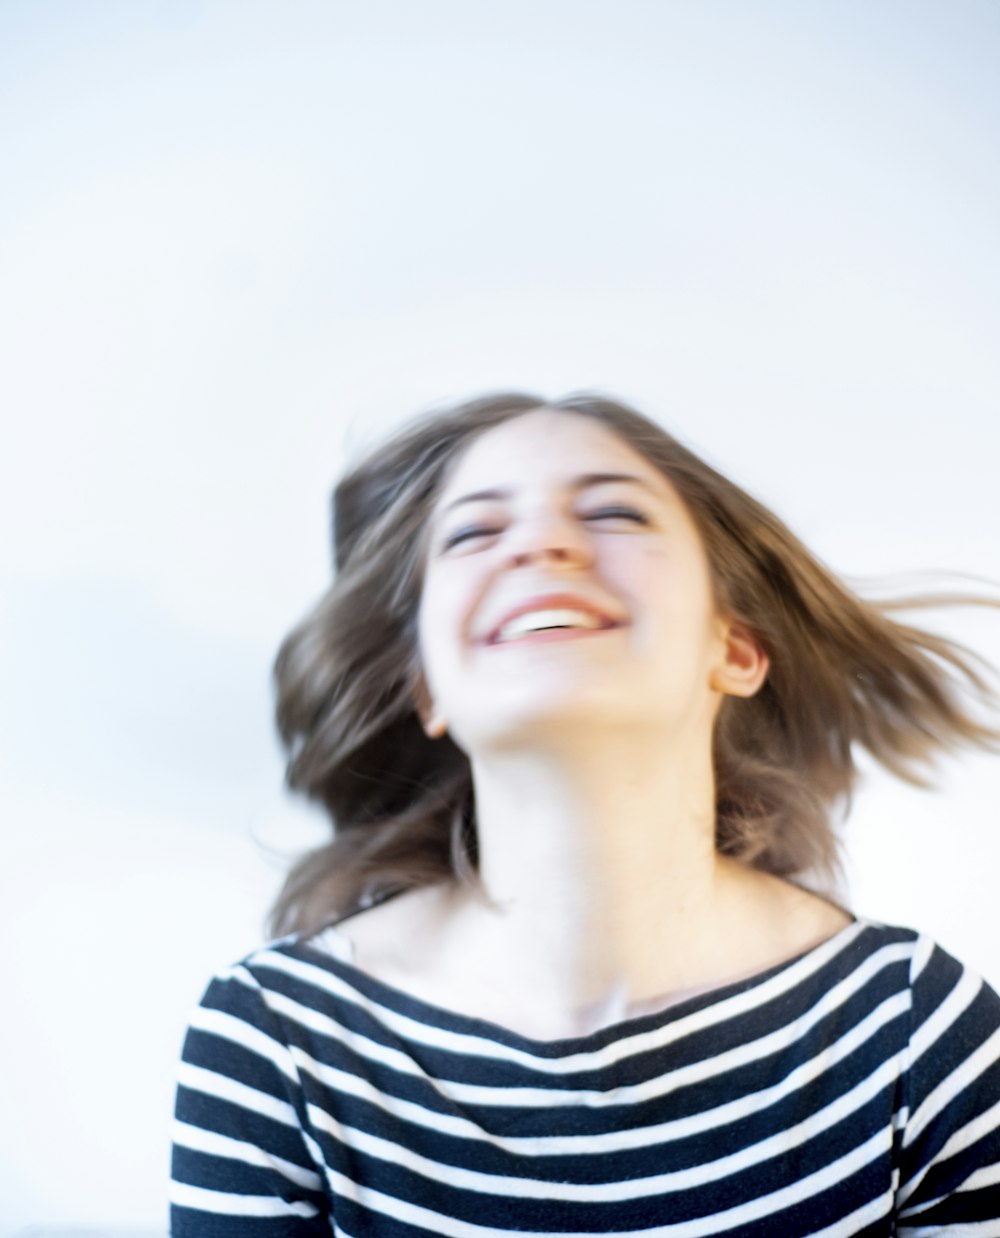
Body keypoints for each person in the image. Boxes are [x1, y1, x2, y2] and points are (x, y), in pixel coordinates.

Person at [170, 392, 1000, 1236]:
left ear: (736, 647)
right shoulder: (275, 1042)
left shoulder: (916, 1033)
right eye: (474, 532)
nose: (541, 543)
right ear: (426, 687)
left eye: (614, 510)